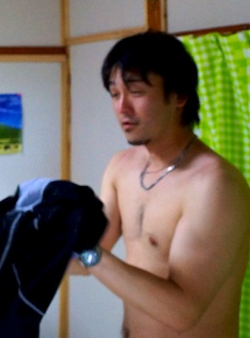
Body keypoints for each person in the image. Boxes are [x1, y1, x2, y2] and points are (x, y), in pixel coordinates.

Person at [71, 31, 250, 337]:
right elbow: (87, 256)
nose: (122, 107)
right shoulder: (121, 166)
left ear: (179, 96)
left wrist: (90, 253)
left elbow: (182, 312)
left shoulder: (215, 184)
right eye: (114, 94)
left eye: (136, 92)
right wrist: (20, 246)